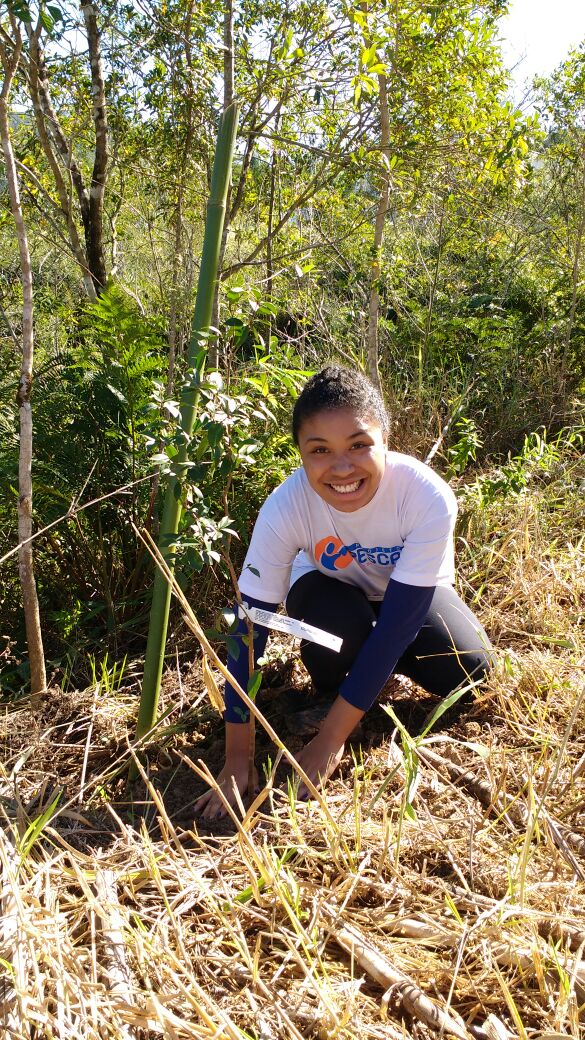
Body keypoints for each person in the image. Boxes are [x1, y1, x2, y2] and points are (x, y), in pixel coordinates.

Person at [194, 365, 493, 820]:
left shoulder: (425, 496)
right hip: (327, 593)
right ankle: (339, 682)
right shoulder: (286, 506)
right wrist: (238, 758)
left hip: (405, 598)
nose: (341, 467)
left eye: (358, 445)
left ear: (386, 442)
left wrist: (329, 741)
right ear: (299, 453)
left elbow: (398, 625)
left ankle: (367, 676)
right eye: (320, 450)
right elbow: (249, 626)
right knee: (341, 629)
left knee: (473, 672)